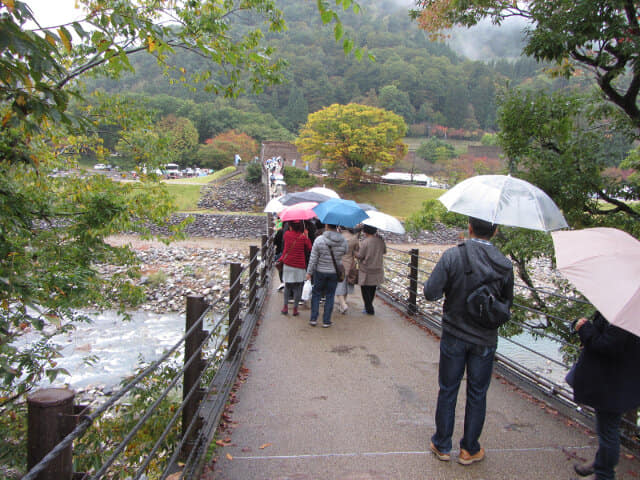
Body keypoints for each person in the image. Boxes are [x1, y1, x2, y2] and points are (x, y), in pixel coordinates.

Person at [423, 216, 514, 465]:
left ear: (470, 228)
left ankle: (442, 444)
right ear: (495, 231)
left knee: (448, 389)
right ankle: (469, 449)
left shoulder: (454, 256)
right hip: (485, 338)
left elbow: (430, 292)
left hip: (454, 333)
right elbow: (506, 305)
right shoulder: (505, 265)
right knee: (477, 393)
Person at [570, 311, 640, 480]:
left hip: (613, 381)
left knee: (608, 430)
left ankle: (604, 474)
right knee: (607, 427)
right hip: (621, 378)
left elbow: (607, 345)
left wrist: (584, 327)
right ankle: (600, 463)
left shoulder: (628, 313)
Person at [305, 224, 347, 328]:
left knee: (316, 294)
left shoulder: (319, 240)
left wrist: (309, 272)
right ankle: (326, 320)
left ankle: (314, 318)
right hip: (334, 273)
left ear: (327, 226)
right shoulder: (343, 240)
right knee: (330, 295)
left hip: (320, 271)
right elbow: (345, 251)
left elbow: (313, 258)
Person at [280, 221, 312, 316]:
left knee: (288, 286)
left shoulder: (286, 234)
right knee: (298, 287)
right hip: (299, 265)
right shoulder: (302, 237)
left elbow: (285, 247)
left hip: (288, 263)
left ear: (290, 226)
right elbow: (310, 248)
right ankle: (295, 308)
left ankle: (285, 307)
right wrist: (306, 236)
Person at [356, 225, 386, 315]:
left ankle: (369, 308)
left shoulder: (365, 242)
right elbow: (384, 251)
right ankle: (369, 306)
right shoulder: (380, 241)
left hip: (366, 269)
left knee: (365, 289)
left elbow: (360, 255)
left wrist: (353, 252)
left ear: (365, 231)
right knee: (372, 288)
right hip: (377, 267)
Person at [335, 227, 359, 314]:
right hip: (350, 263)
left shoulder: (338, 237)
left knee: (338, 285)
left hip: (339, 264)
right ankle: (343, 304)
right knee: (345, 286)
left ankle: (343, 304)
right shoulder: (354, 238)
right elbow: (357, 250)